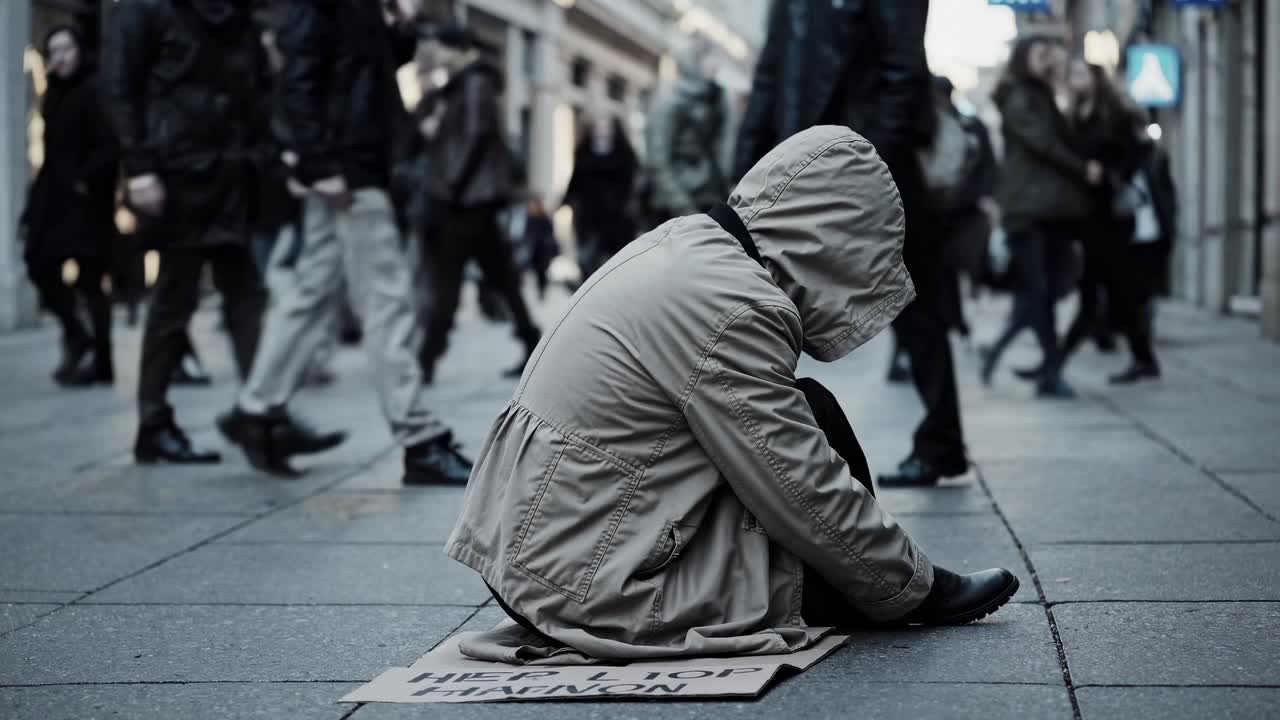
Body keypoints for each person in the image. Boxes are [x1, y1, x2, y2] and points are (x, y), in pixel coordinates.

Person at [446, 127, 1018, 663]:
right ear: (834, 241)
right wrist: (912, 586)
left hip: (532, 546)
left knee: (804, 410)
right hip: (579, 574)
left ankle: (858, 577)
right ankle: (872, 588)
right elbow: (795, 478)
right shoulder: (733, 305)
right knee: (809, 436)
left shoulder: (690, 242)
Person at [216, 0, 471, 485]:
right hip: (347, 169)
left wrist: (399, 24)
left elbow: (365, 70)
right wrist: (316, 162)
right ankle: (418, 437)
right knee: (387, 299)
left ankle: (258, 408)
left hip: (345, 163)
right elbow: (300, 77)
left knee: (314, 290)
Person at [735, 0, 967, 488]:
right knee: (764, 301)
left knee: (916, 298)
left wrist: (865, 163)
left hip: (863, 162)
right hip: (797, 162)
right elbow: (770, 77)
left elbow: (903, 71)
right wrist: (746, 169)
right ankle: (764, 449)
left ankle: (941, 441)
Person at [103, 0, 269, 464]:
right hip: (178, 173)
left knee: (246, 296)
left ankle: (260, 414)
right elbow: (119, 86)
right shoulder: (145, 9)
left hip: (230, 172)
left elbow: (253, 88)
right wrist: (138, 167)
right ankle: (153, 423)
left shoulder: (236, 15)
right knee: (176, 298)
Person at [416, 26, 541, 383]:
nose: (434, 53)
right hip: (473, 199)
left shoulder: (474, 83)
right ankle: (533, 341)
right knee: (502, 276)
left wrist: (450, 186)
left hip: (467, 200)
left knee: (449, 280)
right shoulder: (460, 84)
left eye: (438, 46)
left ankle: (426, 359)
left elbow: (474, 138)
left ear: (454, 47)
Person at [979, 36, 1101, 399]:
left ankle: (1026, 359)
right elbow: (1045, 144)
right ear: (1022, 59)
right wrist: (1082, 170)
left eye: (1051, 55)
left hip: (1050, 210)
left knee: (1043, 291)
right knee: (1038, 291)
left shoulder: (1042, 94)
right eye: (1041, 55)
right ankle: (1049, 370)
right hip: (1028, 210)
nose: (1049, 62)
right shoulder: (1020, 97)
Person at [21, 25, 119, 387]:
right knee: (38, 262)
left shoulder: (94, 91)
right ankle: (78, 335)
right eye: (54, 50)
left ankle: (103, 362)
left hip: (86, 202)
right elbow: (50, 156)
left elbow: (110, 146)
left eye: (66, 49)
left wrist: (84, 180)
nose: (60, 57)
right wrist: (33, 207)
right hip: (55, 198)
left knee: (92, 282)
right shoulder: (54, 94)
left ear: (80, 50)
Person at [1054, 61, 1142, 368]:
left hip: (1112, 215)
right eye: (1072, 74)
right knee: (1104, 291)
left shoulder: (1114, 115)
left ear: (1095, 79)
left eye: (1080, 73)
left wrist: (1108, 174)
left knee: (1104, 291)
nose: (1074, 79)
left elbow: (1135, 155)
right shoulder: (1073, 118)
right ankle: (1142, 357)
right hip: (1088, 216)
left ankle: (1056, 363)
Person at [1107, 128, 1175, 384]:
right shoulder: (1117, 164)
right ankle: (1142, 357)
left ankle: (1143, 358)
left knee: (1142, 300)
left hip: (1152, 238)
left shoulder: (1154, 159)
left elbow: (1167, 197)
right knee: (1130, 302)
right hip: (1127, 240)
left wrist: (1169, 231)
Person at [647, 36, 729, 221]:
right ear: (694, 61)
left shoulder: (714, 101)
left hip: (708, 197)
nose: (717, 66)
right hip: (678, 205)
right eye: (711, 59)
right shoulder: (671, 105)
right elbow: (658, 161)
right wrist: (683, 206)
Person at [562, 116, 638, 282]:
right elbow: (575, 180)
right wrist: (566, 201)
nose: (602, 133)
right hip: (589, 217)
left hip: (616, 218)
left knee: (614, 260)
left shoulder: (624, 155)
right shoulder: (583, 153)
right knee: (588, 258)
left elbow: (630, 183)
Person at [522, 196, 559, 299]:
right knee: (538, 271)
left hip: (544, 249)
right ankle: (541, 289)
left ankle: (542, 289)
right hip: (535, 250)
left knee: (542, 271)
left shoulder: (544, 217)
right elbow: (527, 233)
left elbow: (550, 232)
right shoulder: (530, 218)